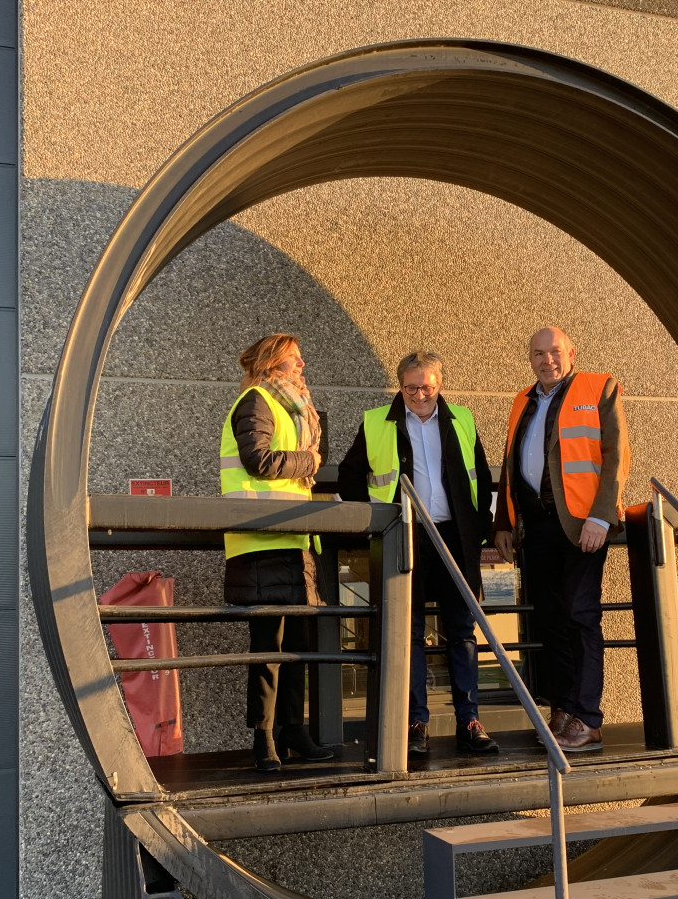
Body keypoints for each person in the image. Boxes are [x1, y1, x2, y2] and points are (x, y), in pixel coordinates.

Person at [339, 351, 499, 758]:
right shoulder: (377, 421)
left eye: (426, 386)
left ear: (439, 384)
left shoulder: (462, 418)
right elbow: (349, 476)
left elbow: (480, 476)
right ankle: (416, 723)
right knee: (408, 634)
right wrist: (376, 522)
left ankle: (469, 721)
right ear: (401, 386)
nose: (419, 395)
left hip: (454, 539)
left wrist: (483, 532)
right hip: (404, 538)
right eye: (411, 388)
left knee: (462, 632)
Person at [492, 327, 630, 751]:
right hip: (536, 527)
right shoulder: (523, 400)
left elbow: (616, 455)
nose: (546, 360)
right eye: (537, 353)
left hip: (582, 526)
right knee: (551, 619)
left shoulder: (598, 387)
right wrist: (502, 523)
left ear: (572, 353)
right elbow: (511, 461)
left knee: (580, 614)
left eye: (554, 352)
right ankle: (563, 711)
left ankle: (586, 719)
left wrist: (601, 517)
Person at [221, 333, 334, 772]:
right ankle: (264, 738)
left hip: (292, 539)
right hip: (258, 540)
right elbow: (258, 460)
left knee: (297, 646)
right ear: (272, 365)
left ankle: (293, 729)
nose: (302, 366)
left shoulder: (290, 407)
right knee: (267, 646)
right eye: (294, 360)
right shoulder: (255, 400)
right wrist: (310, 462)